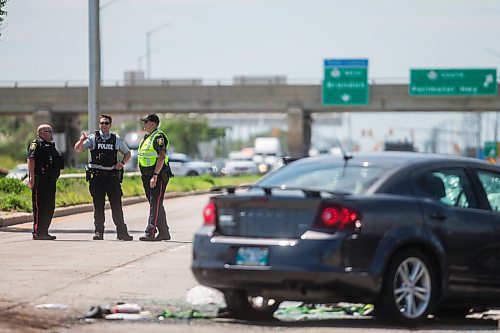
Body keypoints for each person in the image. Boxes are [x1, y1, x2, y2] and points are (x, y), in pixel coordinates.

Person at [73, 114, 133, 241]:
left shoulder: (115, 139)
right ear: (99, 124)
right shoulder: (92, 138)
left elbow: (128, 153)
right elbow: (78, 149)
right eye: (102, 123)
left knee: (117, 206)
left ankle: (122, 233)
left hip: (112, 177)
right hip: (97, 178)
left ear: (110, 125)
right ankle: (98, 232)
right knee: (98, 206)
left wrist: (121, 163)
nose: (104, 125)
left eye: (106, 123)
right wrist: (81, 140)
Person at [138, 114, 173, 241]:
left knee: (155, 204)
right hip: (147, 176)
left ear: (153, 123)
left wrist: (155, 175)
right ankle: (164, 232)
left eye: (146, 122)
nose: (144, 124)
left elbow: (161, 156)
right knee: (156, 204)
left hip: (157, 176)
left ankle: (150, 232)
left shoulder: (159, 137)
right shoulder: (148, 137)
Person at [27, 124, 64, 240]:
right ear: (42, 133)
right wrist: (32, 178)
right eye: (50, 131)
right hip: (40, 180)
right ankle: (38, 232)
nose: (52, 134)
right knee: (40, 207)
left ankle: (44, 231)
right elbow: (31, 160)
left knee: (49, 207)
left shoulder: (50, 145)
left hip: (50, 181)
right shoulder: (36, 144)